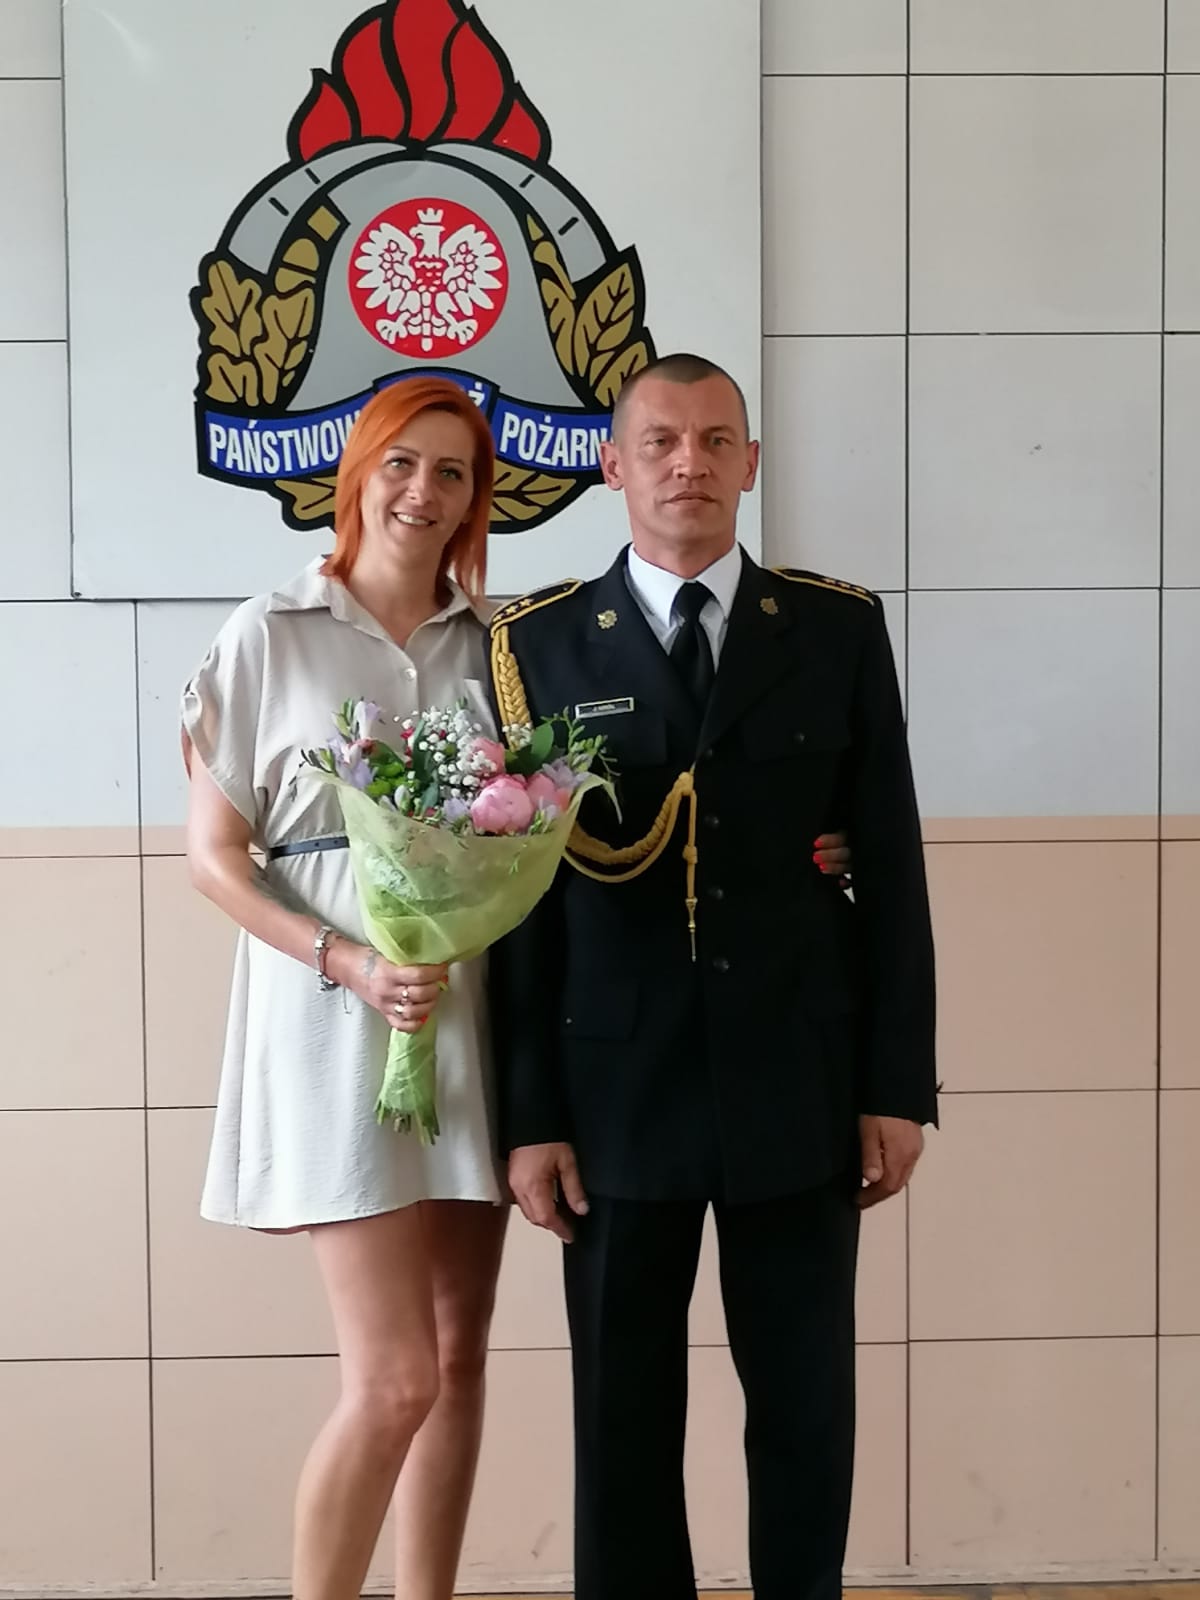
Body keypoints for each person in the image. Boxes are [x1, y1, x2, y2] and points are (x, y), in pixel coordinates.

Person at [487, 352, 938, 1600]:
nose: (688, 463)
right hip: (612, 1091)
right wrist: (529, 1115)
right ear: (612, 464)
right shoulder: (537, 645)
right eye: (661, 441)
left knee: (805, 1406)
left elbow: (892, 865)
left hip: (798, 1073)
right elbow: (516, 909)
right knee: (621, 1417)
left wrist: (897, 1084)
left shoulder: (835, 628)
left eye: (715, 440)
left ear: (751, 463)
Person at [182, 377, 510, 1600]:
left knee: (457, 1360)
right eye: (402, 463)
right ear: (358, 471)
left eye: (453, 472)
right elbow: (215, 859)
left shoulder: (496, 644)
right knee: (394, 1378)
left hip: (466, 1014)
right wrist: (348, 960)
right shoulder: (267, 632)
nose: (425, 490)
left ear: (476, 499)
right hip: (330, 1013)